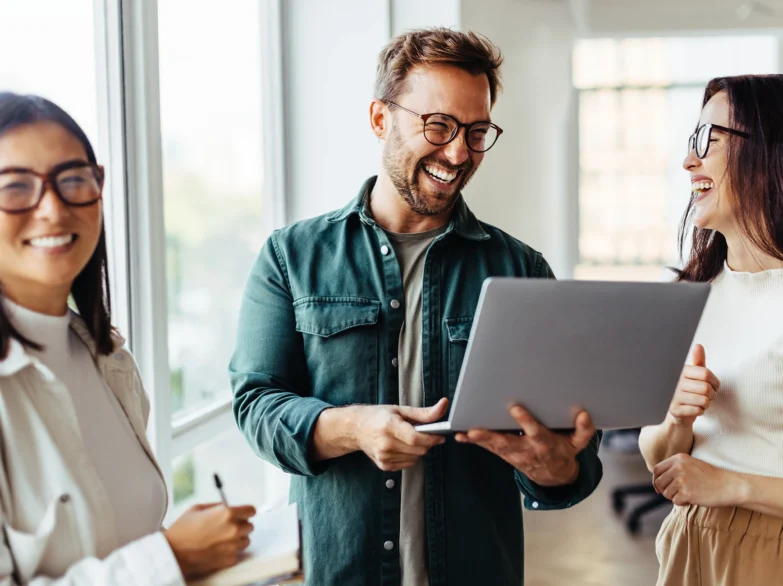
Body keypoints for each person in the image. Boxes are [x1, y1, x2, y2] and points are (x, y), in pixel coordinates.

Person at [230, 28, 602, 586]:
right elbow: (256, 403)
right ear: (381, 119)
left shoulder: (522, 270)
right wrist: (351, 427)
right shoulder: (292, 257)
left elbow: (567, 456)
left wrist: (557, 468)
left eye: (477, 132)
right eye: (439, 126)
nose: (458, 153)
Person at [0, 92, 257, 585]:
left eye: (72, 179)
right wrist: (172, 557)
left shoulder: (109, 360)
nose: (52, 210)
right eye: (16, 188)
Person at [638, 75, 783, 585]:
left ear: (769, 151)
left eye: (708, 140)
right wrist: (676, 415)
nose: (688, 162)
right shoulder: (694, 294)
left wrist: (735, 486)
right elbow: (658, 457)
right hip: (691, 538)